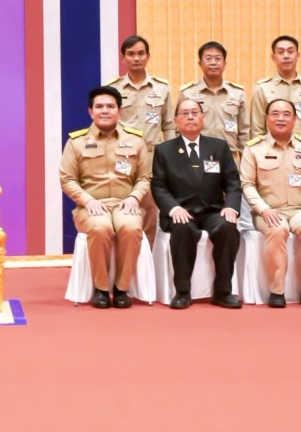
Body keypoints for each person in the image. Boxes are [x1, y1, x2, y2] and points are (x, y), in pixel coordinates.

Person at [59, 86, 151, 309]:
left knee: (130, 228)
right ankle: (100, 289)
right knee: (100, 229)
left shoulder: (136, 141)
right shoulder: (76, 142)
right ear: (90, 111)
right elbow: (67, 179)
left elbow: (145, 177)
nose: (105, 110)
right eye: (99, 106)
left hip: (125, 204)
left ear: (119, 111)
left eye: (110, 106)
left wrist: (134, 198)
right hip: (91, 207)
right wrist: (88, 201)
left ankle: (121, 288)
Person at [151, 97, 242, 309]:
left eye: (195, 112)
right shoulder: (164, 150)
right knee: (182, 230)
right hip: (181, 211)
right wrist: (173, 208)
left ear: (203, 117)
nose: (190, 117)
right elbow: (158, 186)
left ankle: (223, 291)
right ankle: (183, 292)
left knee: (228, 228)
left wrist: (231, 206)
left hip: (213, 211)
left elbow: (233, 182)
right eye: (185, 113)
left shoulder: (219, 147)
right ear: (176, 121)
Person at [240, 98, 301, 308]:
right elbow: (247, 184)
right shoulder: (254, 149)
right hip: (269, 210)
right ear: (267, 118)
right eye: (275, 114)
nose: (281, 118)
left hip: (300, 210)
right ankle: (276, 291)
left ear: (295, 119)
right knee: (277, 230)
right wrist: (263, 209)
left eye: (286, 114)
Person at [107, 35, 176, 244]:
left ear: (148, 56)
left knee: (150, 208)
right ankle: (124, 257)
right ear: (123, 58)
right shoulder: (114, 89)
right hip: (122, 157)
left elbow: (169, 125)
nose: (136, 58)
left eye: (140, 53)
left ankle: (147, 262)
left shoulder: (161, 88)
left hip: (153, 157)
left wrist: (170, 157)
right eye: (131, 54)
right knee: (122, 205)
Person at [250, 35, 301, 148]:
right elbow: (257, 129)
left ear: (298, 56)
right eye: (281, 52)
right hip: (271, 155)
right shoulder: (262, 88)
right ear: (273, 57)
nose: (286, 56)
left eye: (290, 51)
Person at [178, 41, 249, 156]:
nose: (213, 62)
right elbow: (179, 129)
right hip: (197, 156)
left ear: (225, 63)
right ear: (200, 63)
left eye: (218, 58)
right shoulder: (188, 93)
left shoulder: (238, 93)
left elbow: (244, 131)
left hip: (229, 156)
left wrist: (245, 159)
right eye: (208, 58)